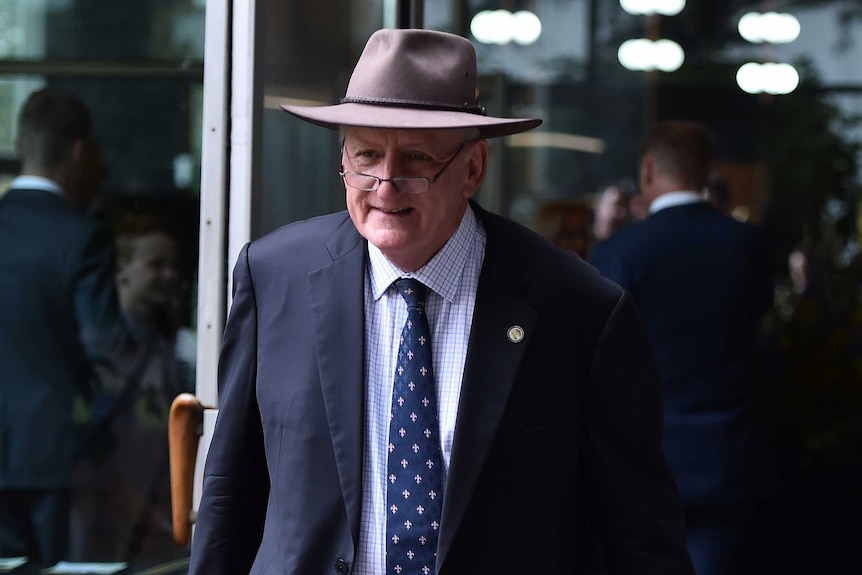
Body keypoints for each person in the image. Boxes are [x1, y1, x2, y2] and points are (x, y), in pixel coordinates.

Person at [189, 29, 693, 575]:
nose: (384, 185)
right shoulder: (273, 276)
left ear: (473, 169)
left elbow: (640, 535)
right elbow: (230, 494)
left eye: (414, 160)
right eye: (365, 156)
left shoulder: (577, 308)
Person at [591, 121, 776, 575]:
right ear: (704, 172)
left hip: (642, 461)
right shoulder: (748, 245)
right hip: (726, 457)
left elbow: (596, 352)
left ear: (649, 169)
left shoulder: (623, 250)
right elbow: (764, 333)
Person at [0, 86, 123, 566]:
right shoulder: (83, 237)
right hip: (52, 455)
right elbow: (105, 347)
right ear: (78, 150)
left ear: (18, 145)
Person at [70, 215, 194, 566]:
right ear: (122, 269)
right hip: (100, 506)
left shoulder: (179, 350)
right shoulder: (94, 352)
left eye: (174, 266)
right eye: (156, 265)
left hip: (156, 506)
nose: (169, 275)